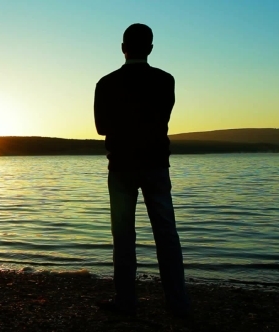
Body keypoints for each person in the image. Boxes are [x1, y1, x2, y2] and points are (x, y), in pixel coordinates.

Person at [93, 23, 190, 317]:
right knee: (166, 235)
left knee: (123, 237)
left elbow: (101, 128)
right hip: (156, 165)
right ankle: (177, 304)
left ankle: (126, 303)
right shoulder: (166, 80)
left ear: (123, 48)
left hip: (121, 166)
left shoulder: (106, 83)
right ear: (149, 48)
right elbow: (164, 118)